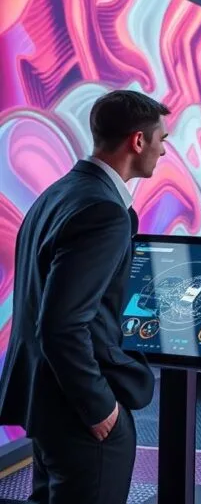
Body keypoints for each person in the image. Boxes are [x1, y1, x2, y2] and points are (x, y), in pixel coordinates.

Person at [0, 90, 168, 504]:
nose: (165, 151)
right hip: (80, 410)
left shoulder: (57, 194)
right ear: (138, 141)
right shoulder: (105, 211)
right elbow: (61, 324)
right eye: (162, 139)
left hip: (46, 401)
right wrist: (98, 407)